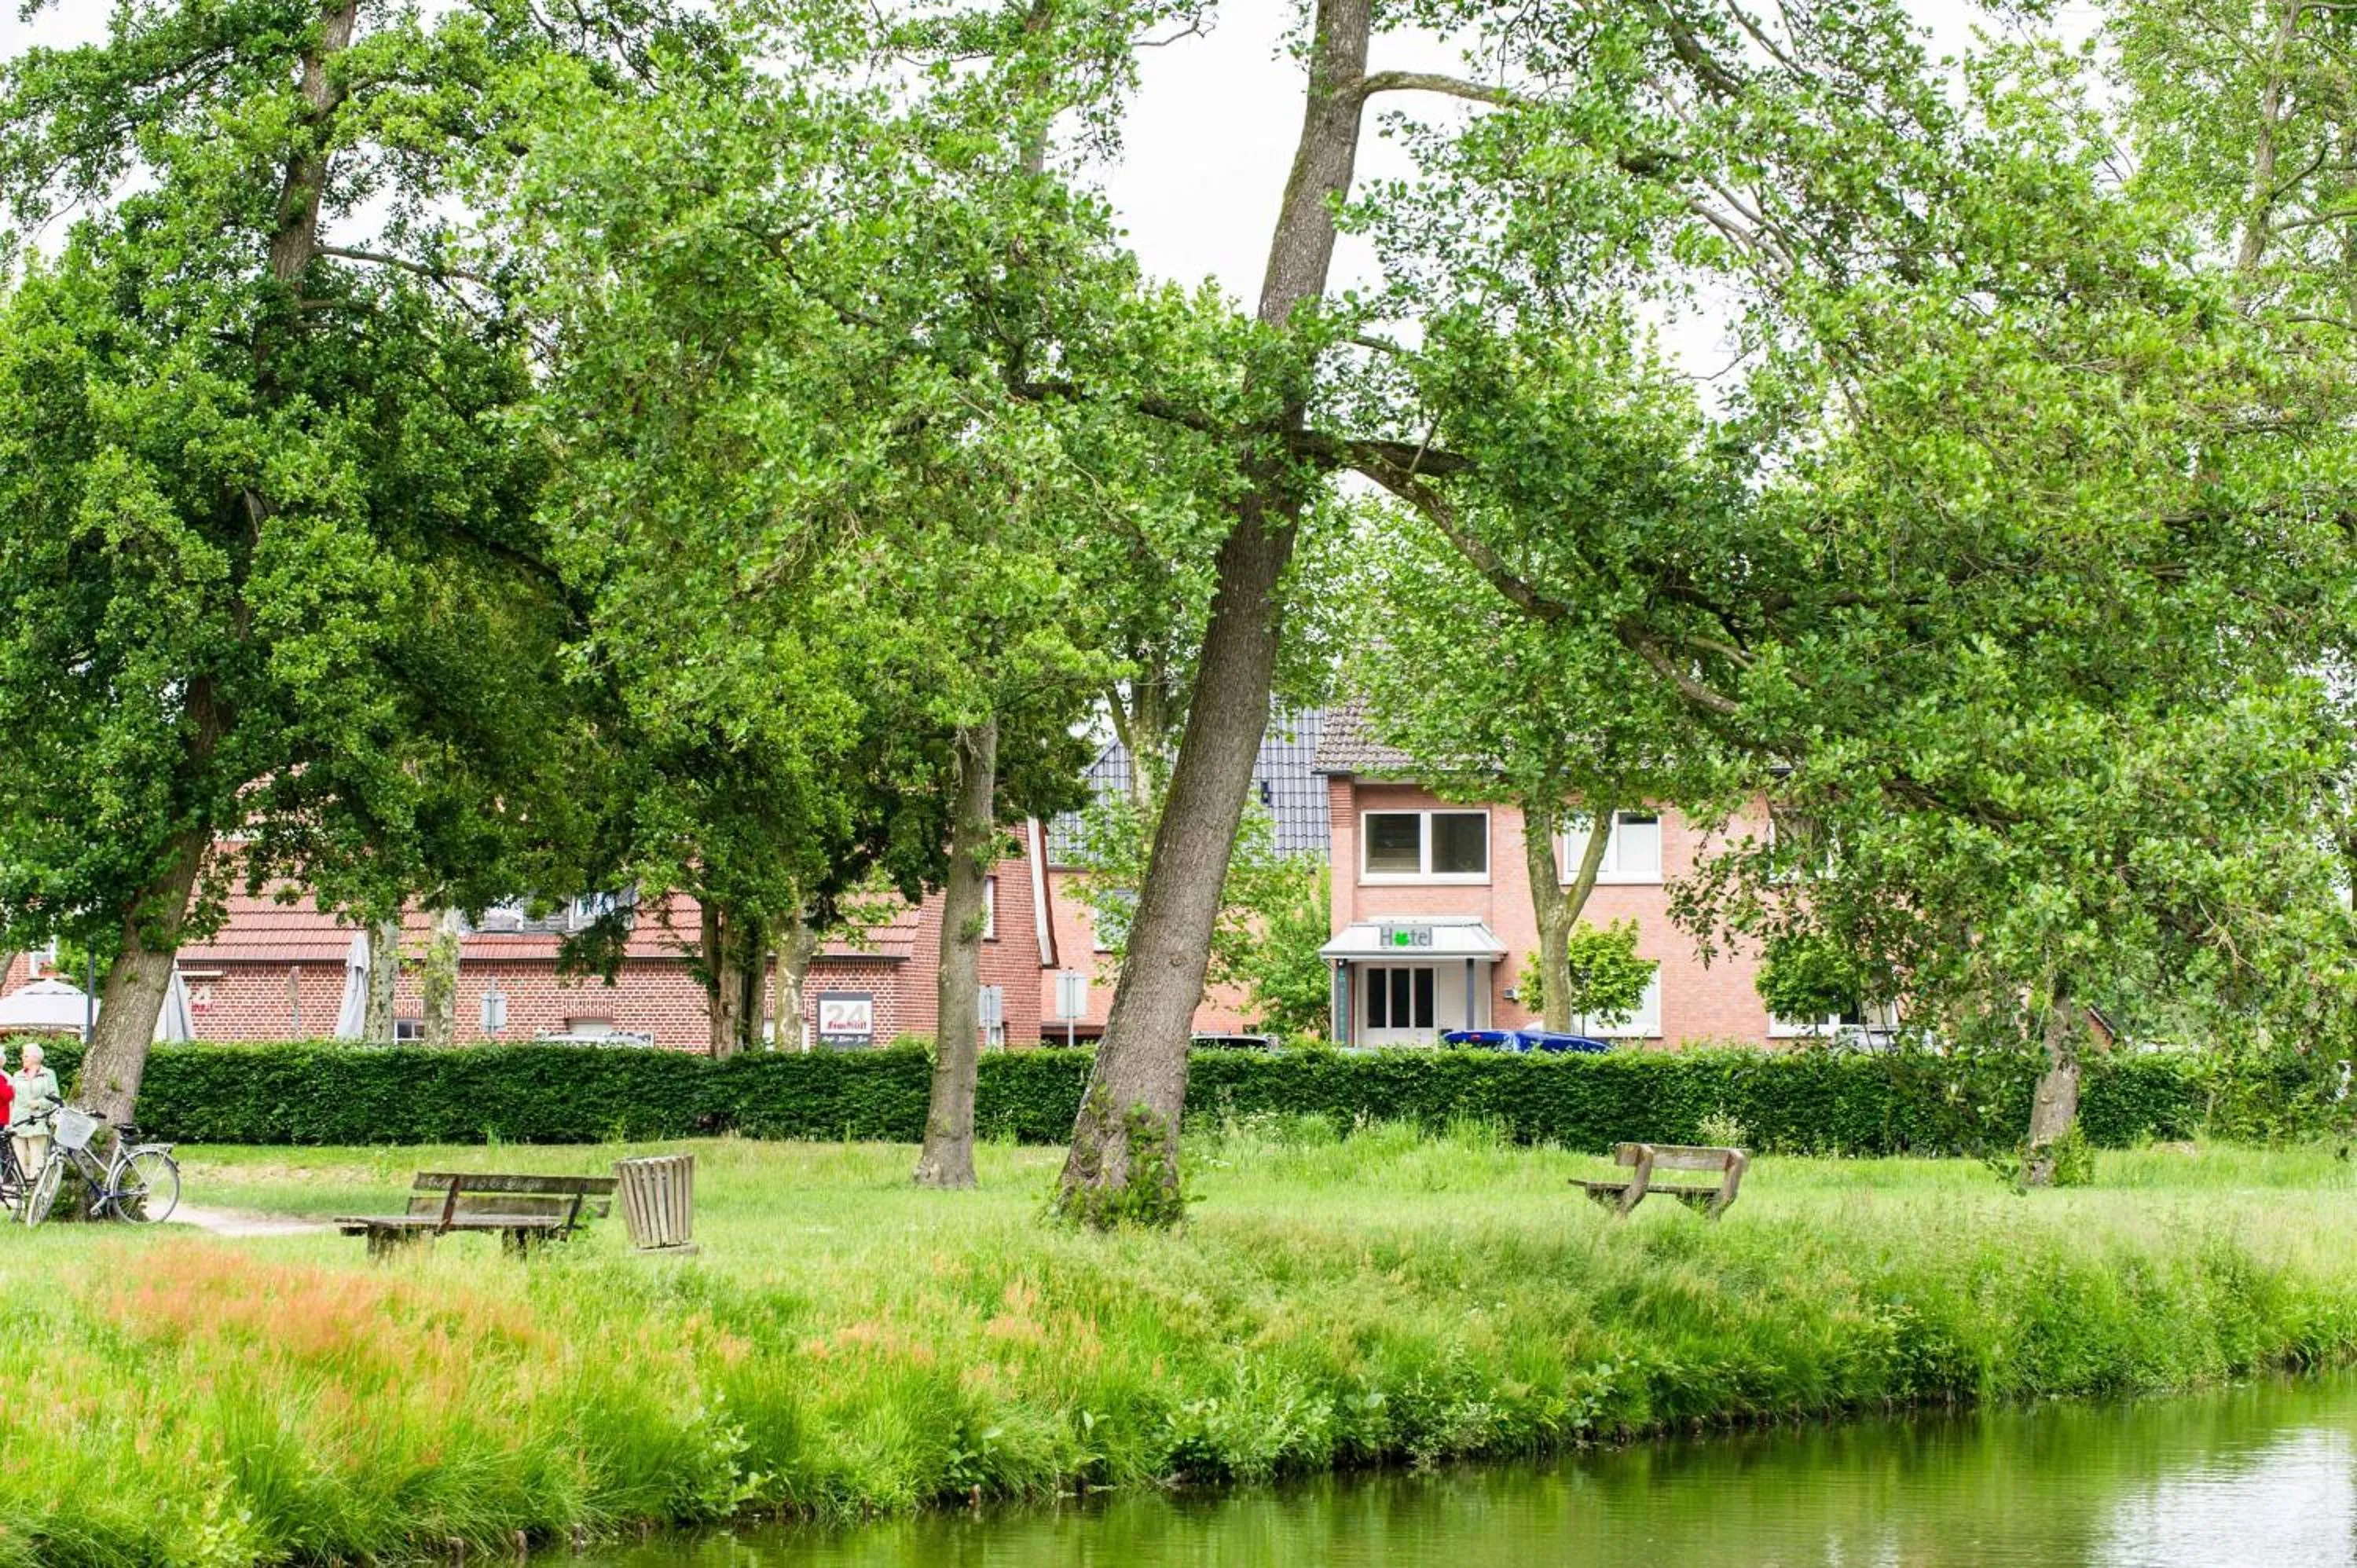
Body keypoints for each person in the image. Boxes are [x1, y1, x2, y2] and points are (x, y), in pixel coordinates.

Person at [9, 1042, 60, 1181]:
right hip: (18, 1121)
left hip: (38, 1122)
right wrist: (10, 1121)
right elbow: (12, 1100)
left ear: (35, 1058)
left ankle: (34, 1192)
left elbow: (55, 1098)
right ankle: (21, 1191)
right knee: (19, 1159)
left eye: (25, 1055)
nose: (22, 1058)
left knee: (37, 1158)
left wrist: (39, 1104)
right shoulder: (17, 1075)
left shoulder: (48, 1074)